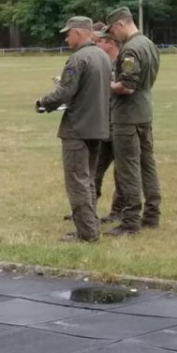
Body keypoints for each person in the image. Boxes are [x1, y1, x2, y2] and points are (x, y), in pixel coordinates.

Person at [36, 17, 112, 242]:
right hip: (98, 127)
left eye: (68, 34)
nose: (66, 38)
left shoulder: (78, 59)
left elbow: (64, 93)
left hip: (77, 129)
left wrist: (42, 102)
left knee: (77, 182)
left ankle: (87, 233)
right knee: (87, 179)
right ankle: (90, 227)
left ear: (79, 33)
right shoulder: (103, 57)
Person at [102, 7, 161, 236]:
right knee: (148, 164)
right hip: (145, 112)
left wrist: (105, 86)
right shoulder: (149, 44)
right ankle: (152, 214)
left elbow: (126, 86)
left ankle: (130, 221)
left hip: (127, 116)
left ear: (120, 24)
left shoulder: (130, 49)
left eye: (112, 31)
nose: (112, 37)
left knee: (128, 169)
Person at [93, 26, 126, 224]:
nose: (96, 46)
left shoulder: (121, 63)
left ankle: (118, 211)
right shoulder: (103, 63)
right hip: (103, 124)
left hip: (119, 123)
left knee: (121, 173)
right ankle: (87, 209)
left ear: (110, 43)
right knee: (95, 169)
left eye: (99, 42)